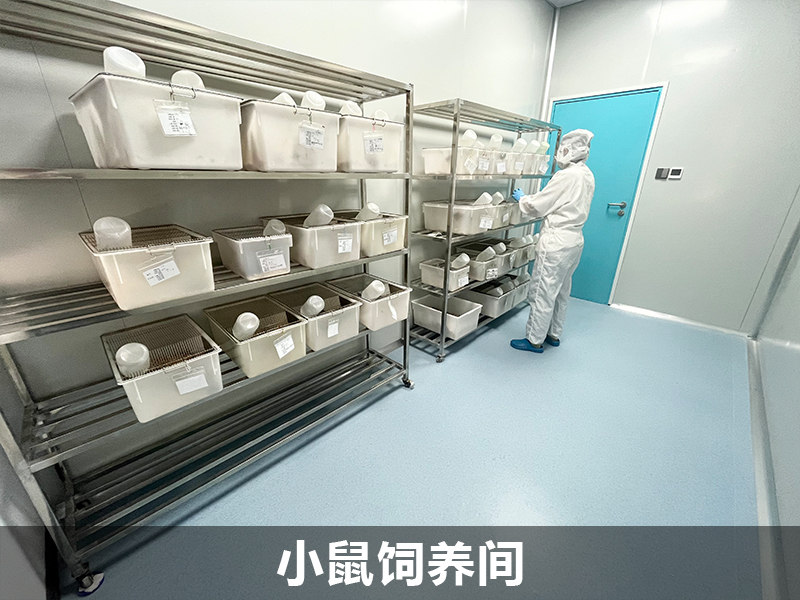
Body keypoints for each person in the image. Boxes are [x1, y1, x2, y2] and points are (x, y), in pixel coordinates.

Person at [509, 129, 595, 353]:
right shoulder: (586, 174)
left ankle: (534, 340)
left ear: (568, 150)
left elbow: (539, 206)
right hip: (575, 240)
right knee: (562, 291)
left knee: (543, 292)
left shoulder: (566, 175)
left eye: (561, 149)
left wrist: (523, 199)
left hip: (557, 242)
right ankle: (553, 334)